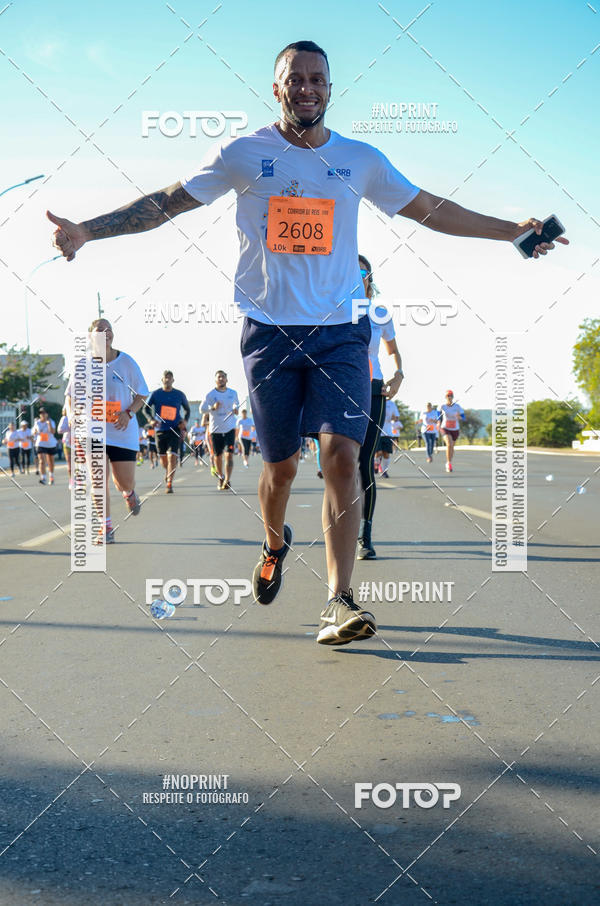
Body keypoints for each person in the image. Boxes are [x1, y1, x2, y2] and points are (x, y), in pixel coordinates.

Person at [47, 40, 568, 645]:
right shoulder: (243, 154)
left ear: (330, 87)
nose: (307, 88)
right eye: (295, 79)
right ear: (277, 89)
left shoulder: (360, 160)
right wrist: (88, 229)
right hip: (268, 335)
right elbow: (168, 202)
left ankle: (339, 600)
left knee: (341, 458)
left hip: (341, 333)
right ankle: (274, 543)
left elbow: (428, 207)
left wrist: (512, 232)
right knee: (281, 468)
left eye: (317, 78)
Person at [66, 319, 148, 543]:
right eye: (100, 330)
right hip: (93, 431)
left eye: (109, 329)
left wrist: (128, 413)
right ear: (91, 337)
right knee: (98, 479)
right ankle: (106, 528)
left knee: (124, 482)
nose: (106, 333)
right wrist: (72, 414)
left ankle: (129, 494)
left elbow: (142, 393)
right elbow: (70, 396)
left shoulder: (126, 362)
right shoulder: (83, 365)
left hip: (122, 430)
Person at [357, 255, 403, 560]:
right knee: (339, 464)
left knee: (363, 464)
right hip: (338, 389)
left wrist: (399, 375)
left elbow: (393, 351)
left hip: (372, 388)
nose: (355, 276)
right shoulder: (329, 308)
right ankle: (338, 528)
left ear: (369, 276)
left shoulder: (379, 311)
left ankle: (365, 535)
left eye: (360, 271)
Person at [146, 370, 190, 494]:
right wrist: (151, 420)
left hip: (174, 429)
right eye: (165, 377)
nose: (167, 380)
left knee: (172, 457)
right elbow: (145, 408)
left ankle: (169, 483)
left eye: (170, 378)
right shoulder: (156, 394)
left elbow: (187, 410)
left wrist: (185, 421)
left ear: (173, 380)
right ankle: (168, 472)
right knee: (164, 460)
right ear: (162, 380)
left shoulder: (179, 394)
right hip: (160, 430)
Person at [200, 371, 239, 490]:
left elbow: (236, 405)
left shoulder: (233, 393)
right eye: (219, 377)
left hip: (229, 429)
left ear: (227, 379)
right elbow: (202, 409)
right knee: (218, 456)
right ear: (215, 380)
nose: (221, 379)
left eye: (223, 377)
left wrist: (235, 409)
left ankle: (227, 479)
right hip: (215, 430)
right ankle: (221, 477)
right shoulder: (210, 395)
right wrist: (212, 408)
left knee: (229, 455)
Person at [438, 390, 465, 473]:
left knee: (452, 447)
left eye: (451, 396)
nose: (449, 397)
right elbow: (437, 415)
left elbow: (463, 417)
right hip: (445, 428)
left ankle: (449, 461)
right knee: (449, 444)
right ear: (445, 397)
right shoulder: (442, 406)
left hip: (455, 429)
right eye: (448, 396)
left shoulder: (457, 406)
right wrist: (438, 423)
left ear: (453, 397)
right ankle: (449, 463)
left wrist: (459, 416)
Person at [32, 408, 57, 485]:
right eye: (40, 413)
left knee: (51, 462)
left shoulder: (51, 422)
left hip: (50, 443)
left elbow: (53, 432)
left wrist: (48, 423)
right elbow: (33, 432)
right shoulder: (37, 422)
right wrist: (35, 432)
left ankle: (51, 476)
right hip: (40, 443)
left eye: (44, 413)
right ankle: (43, 477)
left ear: (47, 414)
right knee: (42, 460)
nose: (42, 414)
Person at [377, 400, 399, 479]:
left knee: (386, 453)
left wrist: (394, 418)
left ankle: (384, 471)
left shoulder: (392, 404)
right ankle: (376, 465)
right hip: (377, 432)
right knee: (378, 453)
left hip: (388, 433)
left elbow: (396, 418)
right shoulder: (375, 401)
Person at [57, 407, 73, 489]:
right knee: (70, 466)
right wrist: (70, 427)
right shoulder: (65, 418)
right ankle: (71, 481)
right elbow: (59, 430)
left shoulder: (80, 416)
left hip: (79, 443)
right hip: (67, 444)